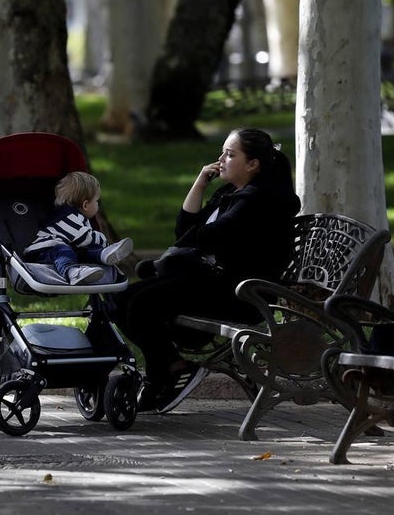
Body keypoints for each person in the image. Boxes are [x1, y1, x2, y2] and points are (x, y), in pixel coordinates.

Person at [112, 128, 301, 414]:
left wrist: (191, 240)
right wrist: (200, 184)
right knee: (120, 300)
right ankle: (169, 368)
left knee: (140, 304)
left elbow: (207, 237)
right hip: (211, 282)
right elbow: (184, 232)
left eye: (230, 154)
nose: (221, 159)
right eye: (222, 152)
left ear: (253, 164)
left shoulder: (259, 199)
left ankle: (167, 372)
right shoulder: (230, 193)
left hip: (239, 294)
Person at [24, 172, 134, 285]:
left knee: (80, 251)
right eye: (96, 201)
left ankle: (103, 255)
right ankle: (72, 273)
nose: (97, 204)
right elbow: (84, 238)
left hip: (66, 249)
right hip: (44, 252)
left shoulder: (77, 216)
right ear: (85, 205)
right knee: (63, 251)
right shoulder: (67, 215)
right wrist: (103, 240)